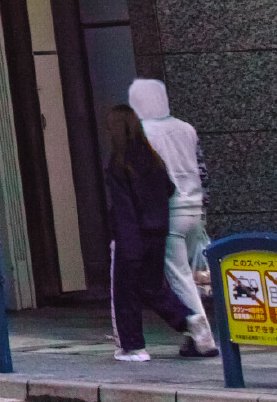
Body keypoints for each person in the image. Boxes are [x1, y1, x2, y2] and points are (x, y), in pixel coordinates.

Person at [101, 105, 215, 361]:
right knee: (153, 288)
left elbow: (124, 209)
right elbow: (168, 189)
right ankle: (188, 319)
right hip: (158, 231)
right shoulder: (153, 159)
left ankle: (133, 348)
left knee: (125, 293)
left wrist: (126, 244)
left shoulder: (119, 164)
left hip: (130, 237)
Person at [127, 79, 215, 349]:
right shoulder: (186, 128)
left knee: (179, 276)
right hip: (195, 206)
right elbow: (202, 169)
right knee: (194, 273)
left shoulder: (142, 131)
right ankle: (195, 337)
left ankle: (203, 338)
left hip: (169, 209)